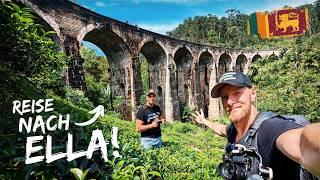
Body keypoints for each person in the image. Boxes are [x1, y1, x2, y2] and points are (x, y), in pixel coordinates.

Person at [192, 71, 320, 179]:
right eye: (225, 97)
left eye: (237, 93)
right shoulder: (233, 130)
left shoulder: (270, 128)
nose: (230, 101)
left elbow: (304, 144)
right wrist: (204, 121)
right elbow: (221, 129)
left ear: (253, 94)